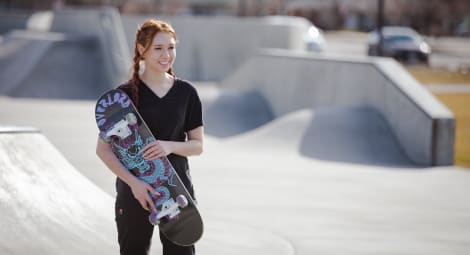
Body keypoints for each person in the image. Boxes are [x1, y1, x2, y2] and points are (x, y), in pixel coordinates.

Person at [96, 19, 203, 255]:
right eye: (158, 48)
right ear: (141, 49)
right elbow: (103, 150)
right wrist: (135, 184)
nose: (166, 54)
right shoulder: (123, 97)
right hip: (135, 193)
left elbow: (197, 146)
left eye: (171, 47)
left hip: (177, 194)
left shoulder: (186, 93)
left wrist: (168, 146)